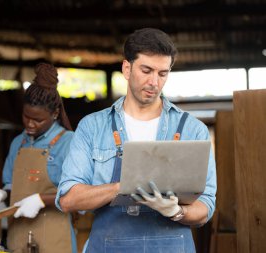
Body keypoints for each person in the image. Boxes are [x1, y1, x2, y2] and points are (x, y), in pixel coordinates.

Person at [56, 28, 217, 253]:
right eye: (146, 70)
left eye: (162, 73)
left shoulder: (192, 130)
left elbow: (206, 206)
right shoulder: (93, 127)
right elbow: (68, 199)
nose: (154, 82)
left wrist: (177, 212)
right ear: (127, 68)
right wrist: (123, 187)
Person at [0, 63, 77, 253]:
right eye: (26, 117)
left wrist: (42, 199)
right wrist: (1, 194)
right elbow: (12, 185)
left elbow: (79, 195)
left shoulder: (69, 143)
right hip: (18, 239)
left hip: (54, 241)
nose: (30, 124)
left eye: (38, 120)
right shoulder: (19, 143)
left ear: (55, 113)